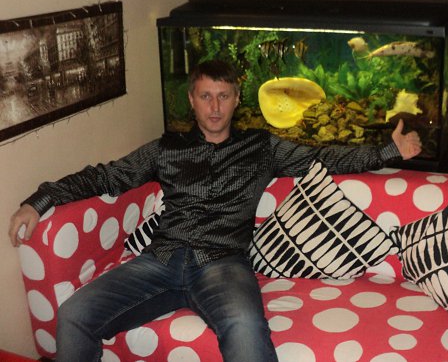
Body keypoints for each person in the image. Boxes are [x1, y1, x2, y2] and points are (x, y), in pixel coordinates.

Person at [8, 60, 422, 362]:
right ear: (192, 100)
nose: (215, 107)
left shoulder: (260, 147)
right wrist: (40, 200)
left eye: (223, 96)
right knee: (75, 314)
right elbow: (107, 176)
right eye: (206, 96)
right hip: (160, 261)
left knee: (245, 329)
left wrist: (388, 150)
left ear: (237, 99)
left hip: (223, 264)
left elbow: (322, 158)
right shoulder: (167, 149)